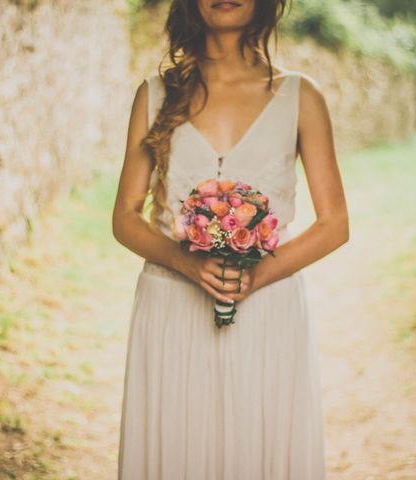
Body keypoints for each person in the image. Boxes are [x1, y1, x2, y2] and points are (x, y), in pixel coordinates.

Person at [112, 0, 349, 478]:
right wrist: (187, 265)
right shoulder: (155, 95)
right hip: (172, 309)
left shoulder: (300, 96)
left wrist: (257, 275)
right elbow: (124, 216)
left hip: (268, 313)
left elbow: (334, 224)